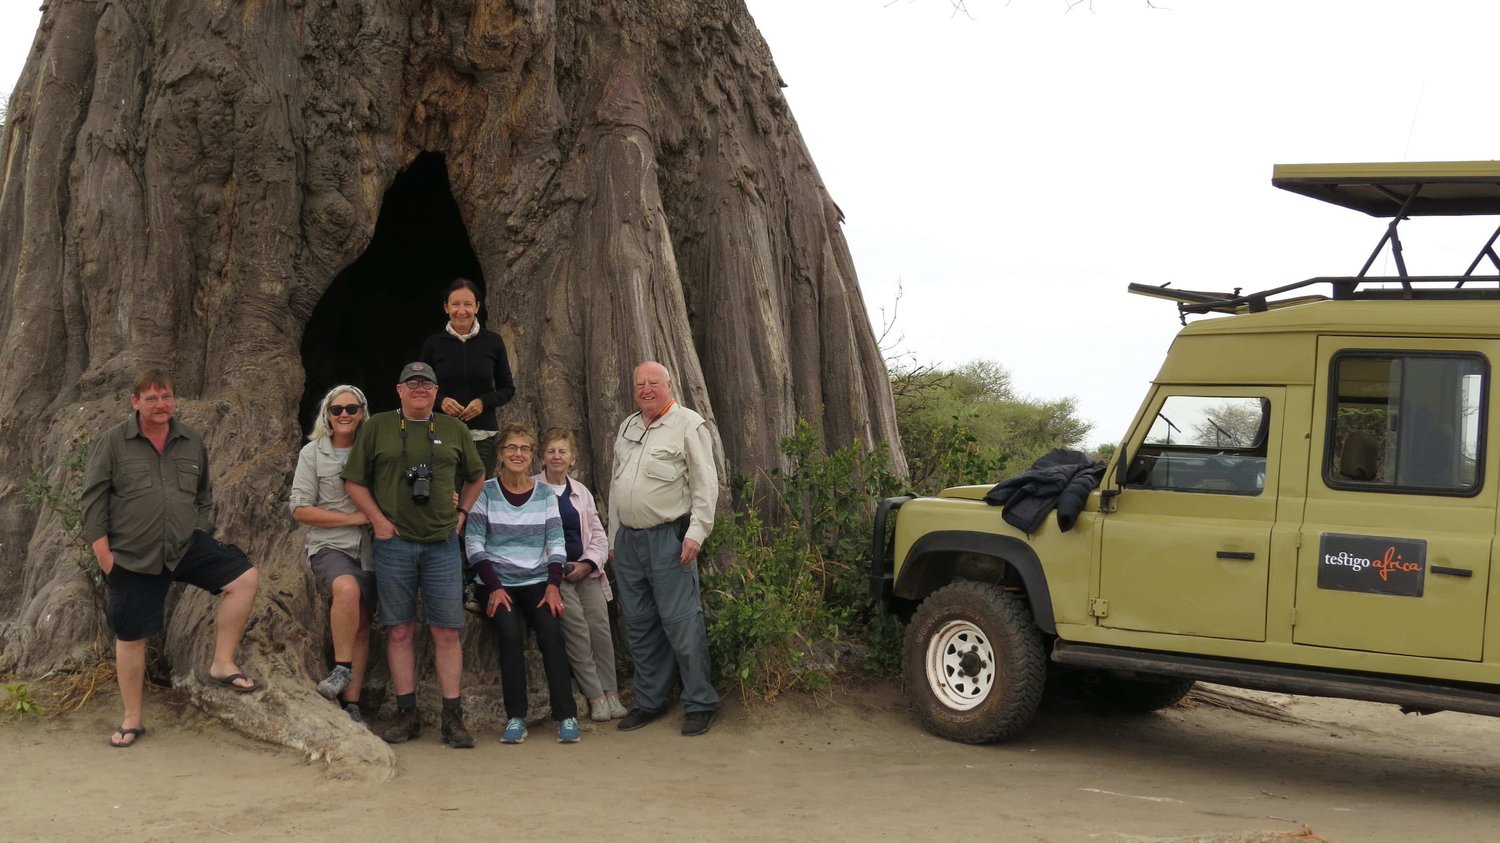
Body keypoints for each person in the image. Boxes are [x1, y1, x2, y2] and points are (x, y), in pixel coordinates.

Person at [81, 370, 262, 748]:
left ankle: (222, 663)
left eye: (166, 397)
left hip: (183, 546)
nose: (160, 405)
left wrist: (196, 529)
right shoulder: (113, 443)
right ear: (135, 403)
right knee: (131, 636)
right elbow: (94, 500)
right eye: (151, 398)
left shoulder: (190, 440)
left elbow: (203, 494)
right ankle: (133, 719)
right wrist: (103, 554)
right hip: (133, 554)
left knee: (244, 578)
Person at [343, 361, 484, 748]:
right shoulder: (377, 428)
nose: (419, 388)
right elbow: (354, 480)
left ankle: (452, 716)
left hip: (442, 543)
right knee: (400, 629)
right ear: (399, 390)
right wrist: (378, 521)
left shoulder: (455, 429)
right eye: (412, 383)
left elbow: (476, 476)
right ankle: (408, 714)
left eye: (427, 384)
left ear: (437, 392)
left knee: (446, 632)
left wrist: (462, 515)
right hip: (394, 545)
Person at [608, 361, 719, 736]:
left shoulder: (689, 423)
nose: (646, 389)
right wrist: (612, 539)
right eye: (640, 383)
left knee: (682, 622)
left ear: (669, 385)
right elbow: (616, 486)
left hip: (669, 539)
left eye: (654, 382)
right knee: (639, 626)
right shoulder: (628, 426)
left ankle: (700, 702)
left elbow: (707, 483)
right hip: (628, 542)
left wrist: (697, 533)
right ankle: (650, 702)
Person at [466, 423, 583, 744]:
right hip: (496, 581)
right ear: (501, 454)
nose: (518, 454)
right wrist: (493, 586)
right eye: (511, 448)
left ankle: (567, 714)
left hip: (537, 580)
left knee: (551, 634)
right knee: (509, 634)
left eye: (525, 449)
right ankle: (516, 717)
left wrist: (553, 584)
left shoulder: (545, 494)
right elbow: (474, 543)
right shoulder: (485, 492)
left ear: (533, 456)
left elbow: (556, 543)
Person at [289, 384, 375, 723]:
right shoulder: (312, 454)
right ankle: (341, 667)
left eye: (351, 409)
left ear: (362, 414)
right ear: (327, 414)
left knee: (364, 624)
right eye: (336, 409)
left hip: (371, 547)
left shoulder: (373, 451)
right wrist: (352, 517)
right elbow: (299, 509)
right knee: (346, 589)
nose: (344, 415)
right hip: (330, 544)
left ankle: (351, 703)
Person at [535, 428, 625, 722]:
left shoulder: (580, 492)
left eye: (563, 451)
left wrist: (588, 563)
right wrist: (554, 566)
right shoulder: (533, 490)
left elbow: (598, 535)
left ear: (572, 459)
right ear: (542, 458)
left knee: (600, 629)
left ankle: (612, 693)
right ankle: (595, 696)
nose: (557, 456)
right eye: (551, 451)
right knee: (577, 632)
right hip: (554, 575)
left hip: (585, 571)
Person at [419, 278, 515, 483]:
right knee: (446, 496)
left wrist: (483, 402)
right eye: (455, 304)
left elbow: (508, 388)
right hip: (443, 435)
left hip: (482, 437)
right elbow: (420, 388)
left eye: (468, 304)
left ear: (477, 307)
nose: (461, 311)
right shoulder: (433, 344)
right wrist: (441, 401)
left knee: (477, 498)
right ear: (446, 307)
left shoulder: (493, 342)